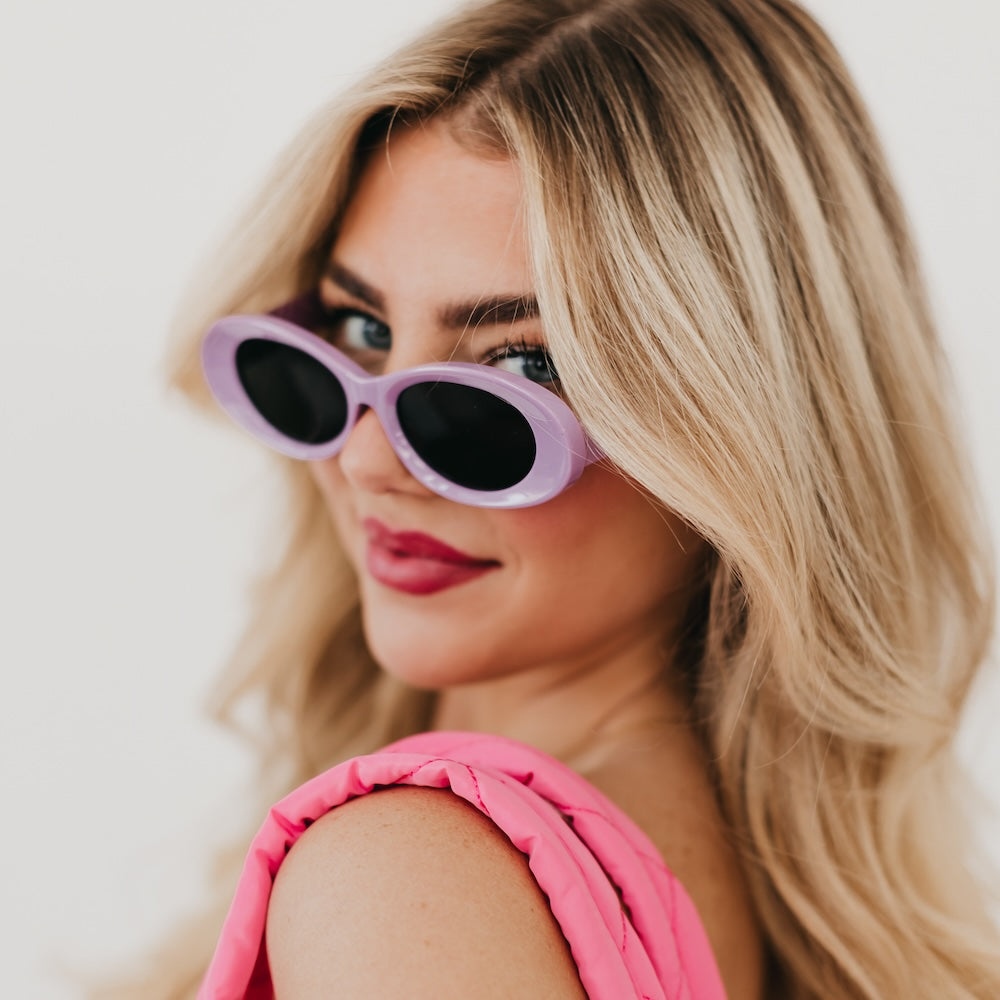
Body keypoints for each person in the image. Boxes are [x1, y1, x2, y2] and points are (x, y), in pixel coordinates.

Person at [106, 0, 999, 996]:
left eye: (523, 367)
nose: (367, 460)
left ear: (739, 434)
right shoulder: (754, 902)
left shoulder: (405, 879)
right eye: (360, 331)